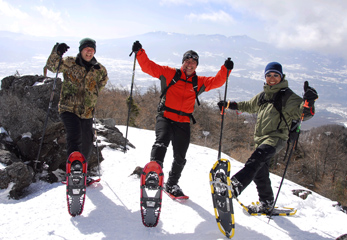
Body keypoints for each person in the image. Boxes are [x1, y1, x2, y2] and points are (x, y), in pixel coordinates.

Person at [131, 40, 234, 197]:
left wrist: (225, 69)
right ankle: (154, 172)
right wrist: (139, 52)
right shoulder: (170, 73)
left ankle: (172, 184)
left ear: (196, 65)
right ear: (183, 62)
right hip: (165, 117)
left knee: (180, 156)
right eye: (187, 60)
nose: (189, 64)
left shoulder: (198, 82)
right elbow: (149, 67)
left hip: (183, 122)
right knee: (161, 142)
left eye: (193, 62)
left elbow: (217, 81)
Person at [218, 62, 318, 213]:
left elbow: (304, 113)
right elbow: (249, 105)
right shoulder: (264, 95)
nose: (272, 78)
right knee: (260, 172)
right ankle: (267, 202)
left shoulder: (288, 96)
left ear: (281, 76)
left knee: (255, 160)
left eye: (275, 75)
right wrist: (229, 105)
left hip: (276, 138)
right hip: (261, 139)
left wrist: (309, 101)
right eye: (269, 75)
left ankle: (234, 186)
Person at [45, 38, 108, 183]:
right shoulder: (70, 62)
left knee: (87, 140)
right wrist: (56, 52)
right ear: (81, 50)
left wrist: (92, 94)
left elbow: (103, 81)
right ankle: (74, 171)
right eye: (86, 48)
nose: (89, 51)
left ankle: (82, 173)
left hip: (87, 112)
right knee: (74, 135)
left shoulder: (99, 69)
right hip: (68, 108)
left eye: (92, 49)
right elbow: (52, 66)